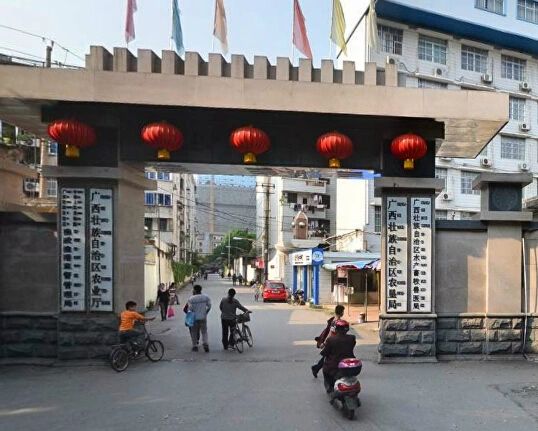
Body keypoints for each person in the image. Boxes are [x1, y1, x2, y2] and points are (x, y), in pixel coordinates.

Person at [320, 320, 356, 391]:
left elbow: (325, 352)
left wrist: (322, 352)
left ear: (336, 329)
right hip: (349, 364)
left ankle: (330, 387)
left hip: (335, 365)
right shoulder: (352, 338)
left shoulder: (331, 340)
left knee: (325, 370)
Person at [311, 305, 345, 378]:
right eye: (343, 311)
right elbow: (330, 333)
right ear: (341, 312)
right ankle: (317, 368)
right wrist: (324, 343)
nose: (343, 313)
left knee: (328, 356)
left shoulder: (336, 320)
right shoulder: (335, 322)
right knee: (331, 356)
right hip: (332, 342)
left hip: (335, 342)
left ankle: (316, 368)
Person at [187, 284, 212, 352]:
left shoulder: (191, 299)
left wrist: (188, 319)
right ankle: (205, 343)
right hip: (203, 317)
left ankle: (195, 346)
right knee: (204, 332)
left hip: (194, 318)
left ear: (194, 290)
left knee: (194, 332)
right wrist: (206, 312)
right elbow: (209, 306)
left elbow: (190, 309)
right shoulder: (205, 297)